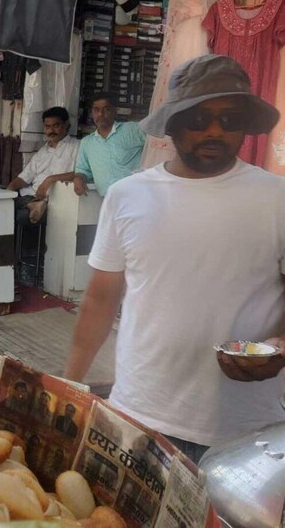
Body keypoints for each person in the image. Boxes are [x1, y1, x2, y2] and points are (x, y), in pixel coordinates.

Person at [64, 55, 285, 463]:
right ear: (172, 124)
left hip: (247, 432)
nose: (216, 130)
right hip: (141, 415)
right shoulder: (127, 196)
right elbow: (100, 300)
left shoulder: (278, 198)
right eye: (199, 119)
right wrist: (69, 386)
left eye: (230, 119)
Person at [73, 93, 145, 197]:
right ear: (92, 113)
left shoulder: (133, 130)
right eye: (96, 110)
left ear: (115, 111)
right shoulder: (87, 143)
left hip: (136, 197)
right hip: (107, 200)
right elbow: (82, 170)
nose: (101, 114)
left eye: (106, 109)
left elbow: (157, 146)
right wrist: (78, 178)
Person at [7, 107, 79, 205]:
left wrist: (50, 179)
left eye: (56, 126)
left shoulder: (78, 147)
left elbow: (84, 173)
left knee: (17, 215)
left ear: (66, 125)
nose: (51, 130)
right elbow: (24, 178)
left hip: (52, 201)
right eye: (47, 127)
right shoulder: (42, 152)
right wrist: (7, 192)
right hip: (28, 196)